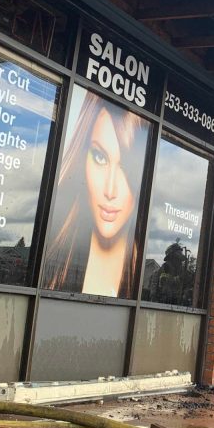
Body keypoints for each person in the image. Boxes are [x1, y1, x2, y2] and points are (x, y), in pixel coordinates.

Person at [45, 91, 149, 297]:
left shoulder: (144, 277)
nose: (110, 190)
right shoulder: (51, 258)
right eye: (100, 157)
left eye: (126, 167)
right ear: (83, 158)